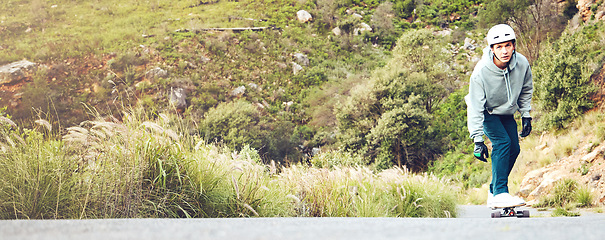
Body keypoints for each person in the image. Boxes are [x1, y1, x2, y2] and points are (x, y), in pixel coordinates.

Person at [465, 24, 533, 208]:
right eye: (499, 47)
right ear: (492, 49)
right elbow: (475, 107)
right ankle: (501, 193)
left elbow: (526, 89)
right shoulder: (480, 72)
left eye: (508, 45)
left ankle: (494, 191)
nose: (504, 51)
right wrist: (478, 140)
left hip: (506, 112)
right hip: (486, 112)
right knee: (502, 143)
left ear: (514, 46)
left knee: (514, 149)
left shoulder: (522, 63)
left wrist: (526, 115)